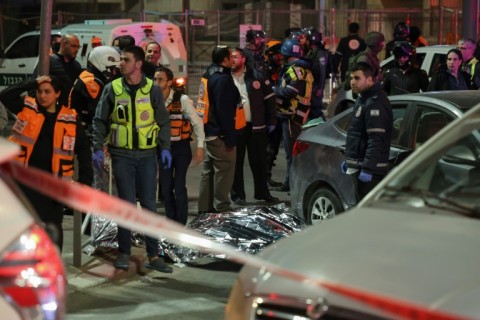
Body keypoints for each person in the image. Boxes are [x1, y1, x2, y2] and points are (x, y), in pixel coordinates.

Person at [92, 45, 173, 273]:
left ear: (138, 64)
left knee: (148, 205)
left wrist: (165, 147)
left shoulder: (152, 89)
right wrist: (97, 147)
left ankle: (153, 255)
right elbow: (100, 120)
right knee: (126, 204)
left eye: (125, 60)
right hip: (122, 155)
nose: (121, 63)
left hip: (147, 155)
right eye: (121, 60)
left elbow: (163, 121)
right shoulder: (113, 88)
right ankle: (124, 253)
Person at [0, 75, 93, 251]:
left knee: (53, 227)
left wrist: (85, 181)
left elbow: (83, 151)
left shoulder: (71, 118)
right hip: (26, 180)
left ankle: (54, 264)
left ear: (57, 93)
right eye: (39, 91)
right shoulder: (28, 108)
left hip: (54, 183)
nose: (42, 95)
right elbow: (5, 95)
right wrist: (32, 82)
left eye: (47, 92)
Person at [154, 65, 205, 225]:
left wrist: (200, 146)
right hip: (163, 150)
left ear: (169, 82)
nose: (156, 82)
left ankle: (181, 222)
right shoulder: (152, 100)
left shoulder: (182, 100)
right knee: (166, 187)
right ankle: (170, 221)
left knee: (179, 185)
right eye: (154, 79)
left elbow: (197, 123)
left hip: (181, 148)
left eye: (160, 79)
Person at [229, 48, 278, 205]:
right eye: (230, 57)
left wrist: (272, 121)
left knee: (259, 162)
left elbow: (270, 100)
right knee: (236, 164)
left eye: (235, 56)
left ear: (243, 59)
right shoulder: (225, 78)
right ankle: (238, 196)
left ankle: (263, 193)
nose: (232, 59)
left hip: (256, 127)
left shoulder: (257, 76)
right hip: (236, 128)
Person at [197, 45, 242, 213]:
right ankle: (222, 208)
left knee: (208, 172)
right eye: (231, 57)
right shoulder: (222, 79)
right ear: (224, 60)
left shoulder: (209, 73)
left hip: (208, 130)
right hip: (219, 134)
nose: (233, 59)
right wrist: (230, 136)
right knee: (224, 171)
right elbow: (225, 111)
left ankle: (204, 209)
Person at [342, 62, 392, 201]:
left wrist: (368, 168)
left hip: (371, 172)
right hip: (360, 166)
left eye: (357, 78)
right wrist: (350, 159)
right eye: (351, 78)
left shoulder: (374, 102)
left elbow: (376, 139)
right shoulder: (363, 98)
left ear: (369, 80)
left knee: (368, 216)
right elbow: (358, 134)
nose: (352, 82)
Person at [273, 39, 313, 192]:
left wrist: (272, 90)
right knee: (293, 154)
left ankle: (291, 185)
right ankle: (290, 183)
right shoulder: (303, 69)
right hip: (296, 114)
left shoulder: (296, 70)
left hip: (292, 116)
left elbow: (291, 91)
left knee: (292, 155)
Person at [69, 45, 121, 136]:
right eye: (112, 68)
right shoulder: (91, 82)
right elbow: (99, 112)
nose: (114, 73)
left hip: (80, 127)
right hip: (83, 131)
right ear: (102, 64)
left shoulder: (89, 76)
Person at [32, 34, 83, 107]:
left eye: (78, 47)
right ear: (63, 45)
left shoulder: (76, 66)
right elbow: (33, 85)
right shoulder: (49, 62)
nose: (77, 50)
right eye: (74, 46)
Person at [303, 27, 330, 120]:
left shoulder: (321, 53)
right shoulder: (311, 52)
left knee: (316, 109)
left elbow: (322, 71)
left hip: (317, 85)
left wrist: (320, 88)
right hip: (312, 85)